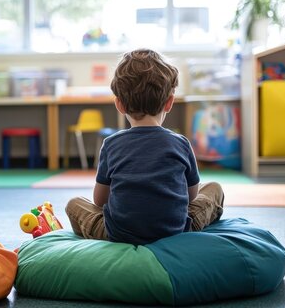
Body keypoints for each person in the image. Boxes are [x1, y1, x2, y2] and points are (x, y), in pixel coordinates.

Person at [65, 49, 224, 245]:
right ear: (169, 103)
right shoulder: (181, 143)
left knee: (74, 204)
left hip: (118, 235)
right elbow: (191, 197)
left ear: (119, 105)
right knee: (213, 188)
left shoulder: (111, 144)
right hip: (176, 232)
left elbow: (99, 201)